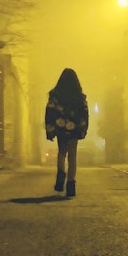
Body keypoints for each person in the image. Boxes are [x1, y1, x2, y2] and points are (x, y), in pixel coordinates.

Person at [44, 68, 89, 198]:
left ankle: (60, 176)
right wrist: (82, 128)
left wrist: (50, 128)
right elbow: (85, 113)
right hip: (73, 128)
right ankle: (71, 185)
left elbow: (50, 111)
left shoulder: (56, 94)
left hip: (61, 128)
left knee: (62, 152)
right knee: (72, 155)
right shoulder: (79, 96)